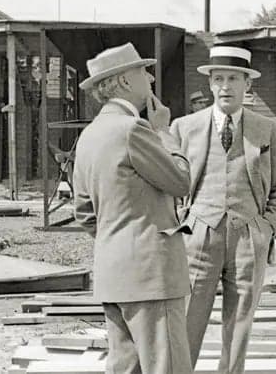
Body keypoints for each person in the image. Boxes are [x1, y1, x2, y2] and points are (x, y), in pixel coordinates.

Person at [170, 46, 276, 373]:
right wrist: (182, 225)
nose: (226, 86)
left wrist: (265, 226)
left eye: (234, 79)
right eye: (219, 78)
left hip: (248, 238)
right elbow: (168, 186)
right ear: (210, 84)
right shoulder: (184, 128)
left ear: (247, 85)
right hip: (198, 238)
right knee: (186, 321)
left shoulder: (265, 129)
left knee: (239, 326)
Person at [73, 42, 193, 374]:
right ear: (125, 81)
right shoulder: (134, 129)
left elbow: (83, 212)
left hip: (114, 275)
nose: (151, 78)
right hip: (151, 275)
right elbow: (182, 181)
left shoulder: (89, 134)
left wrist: (121, 239)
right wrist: (165, 132)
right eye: (143, 71)